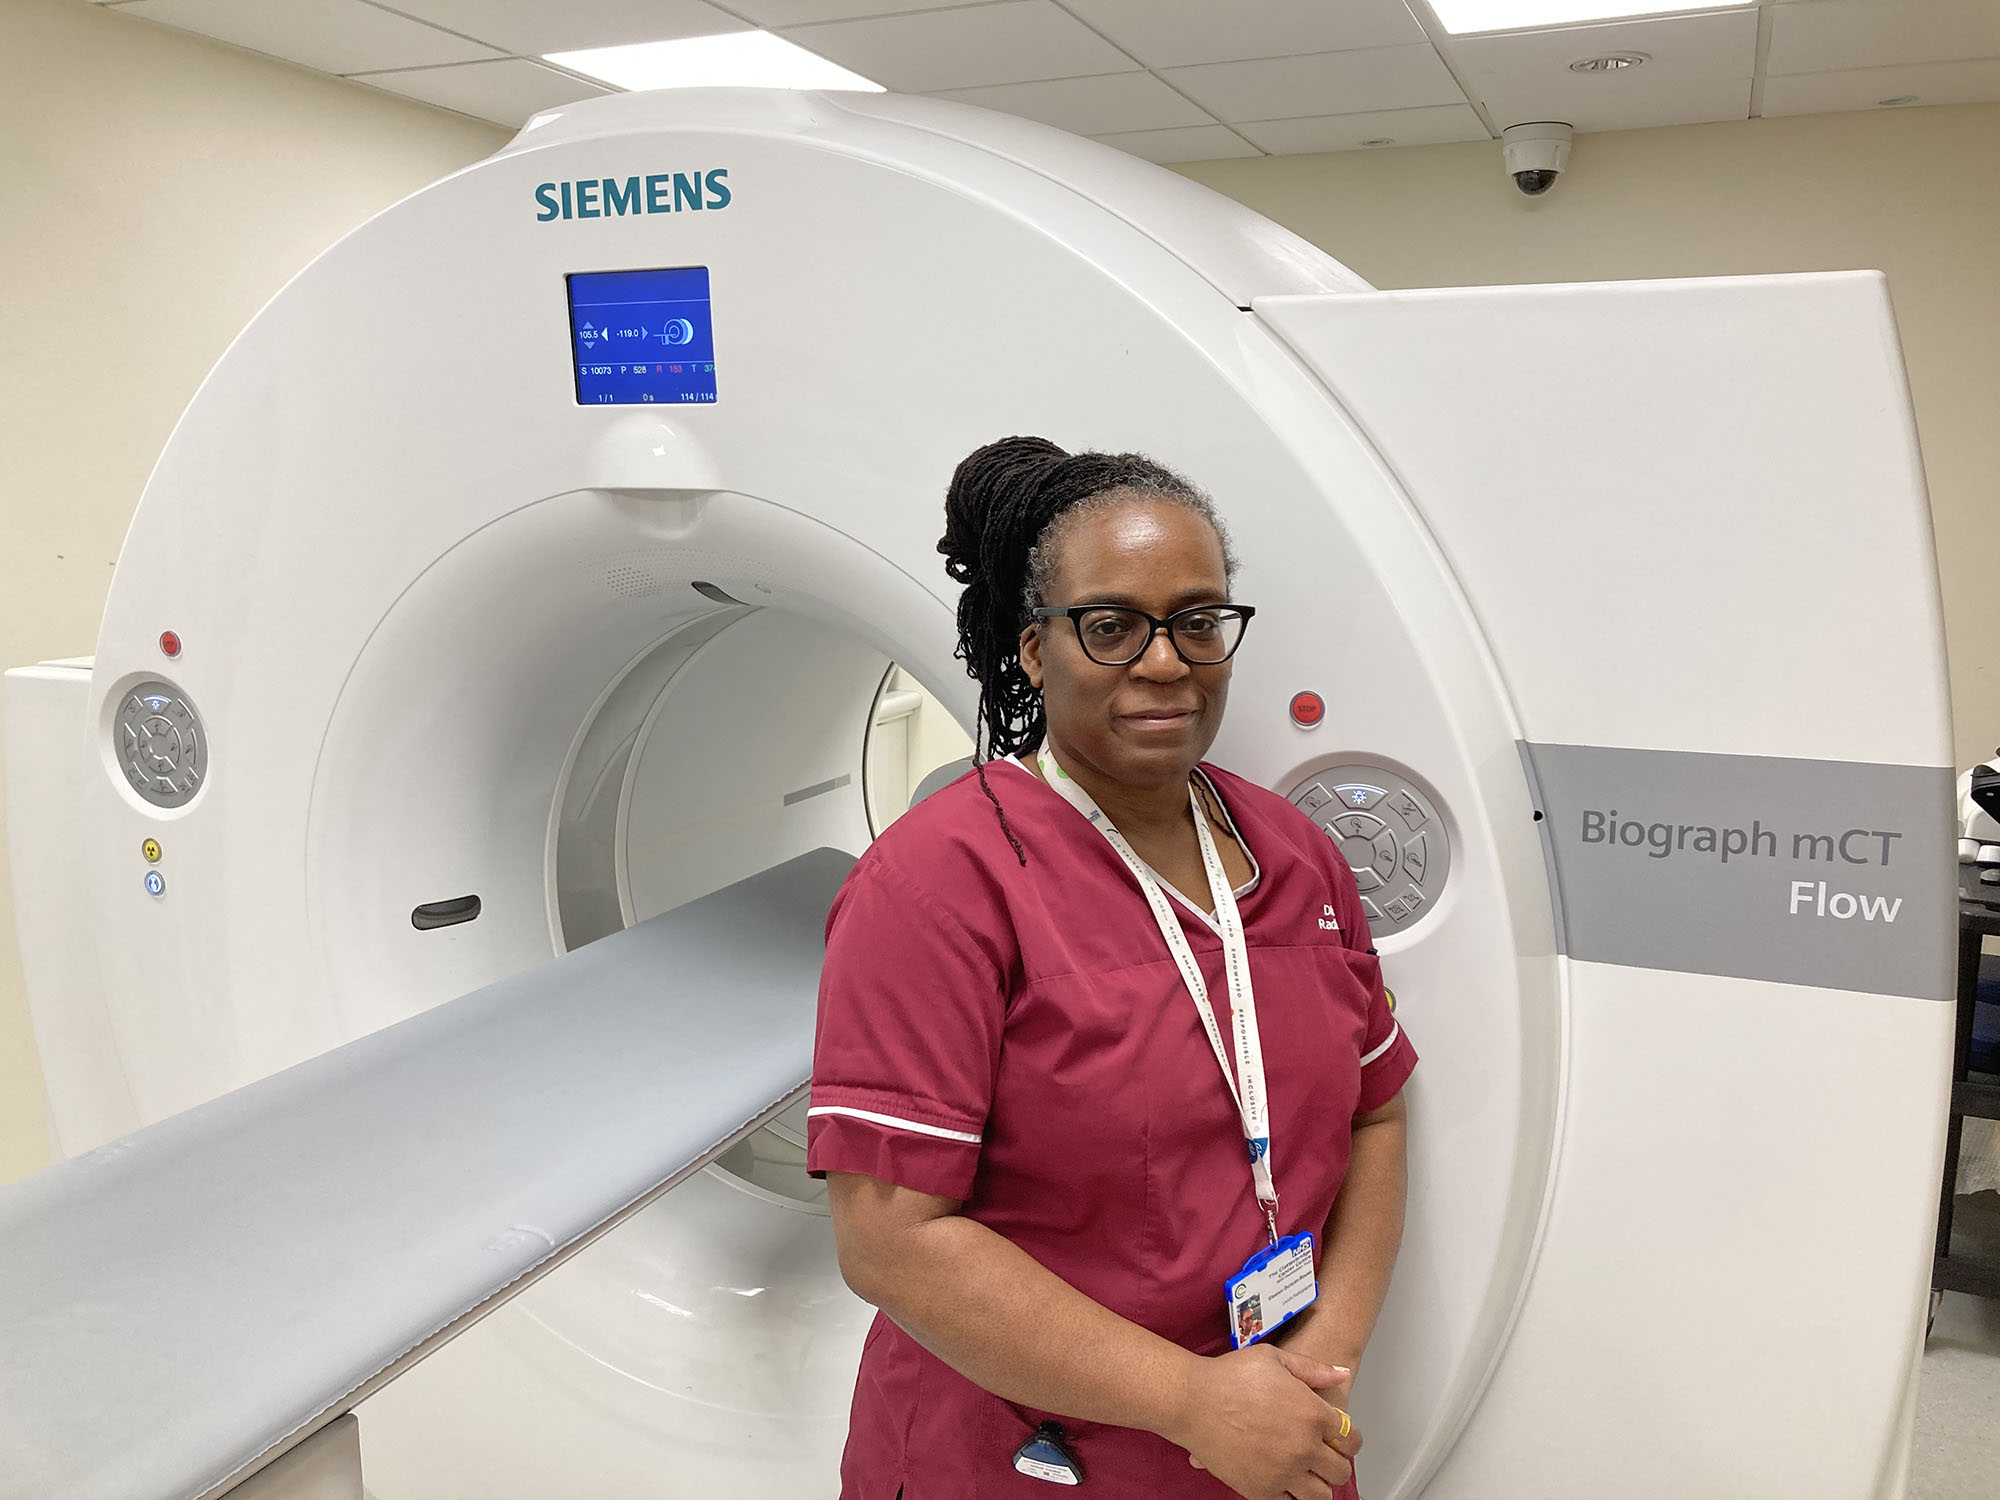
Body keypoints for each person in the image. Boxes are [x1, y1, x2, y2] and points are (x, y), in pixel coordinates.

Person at [806, 436, 1416, 1500]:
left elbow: (1377, 1111)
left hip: (1273, 1441)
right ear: (1034, 650)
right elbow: (891, 1243)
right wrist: (1193, 1402)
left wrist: (1319, 1361)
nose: (1165, 662)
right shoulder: (937, 883)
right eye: (1111, 626)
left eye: (1196, 621)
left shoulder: (1293, 854)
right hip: (1021, 1457)